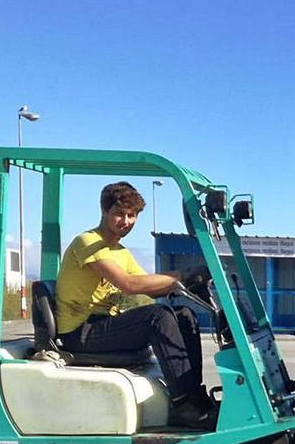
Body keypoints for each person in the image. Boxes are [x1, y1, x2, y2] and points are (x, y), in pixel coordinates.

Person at [55, 182, 214, 429]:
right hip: (80, 331)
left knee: (183, 315)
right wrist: (182, 275)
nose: (126, 221)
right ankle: (183, 405)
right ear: (104, 211)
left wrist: (190, 282)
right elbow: (130, 284)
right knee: (157, 318)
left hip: (102, 325)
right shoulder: (88, 242)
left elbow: (148, 287)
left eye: (132, 216)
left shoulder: (119, 251)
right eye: (119, 214)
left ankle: (195, 397)